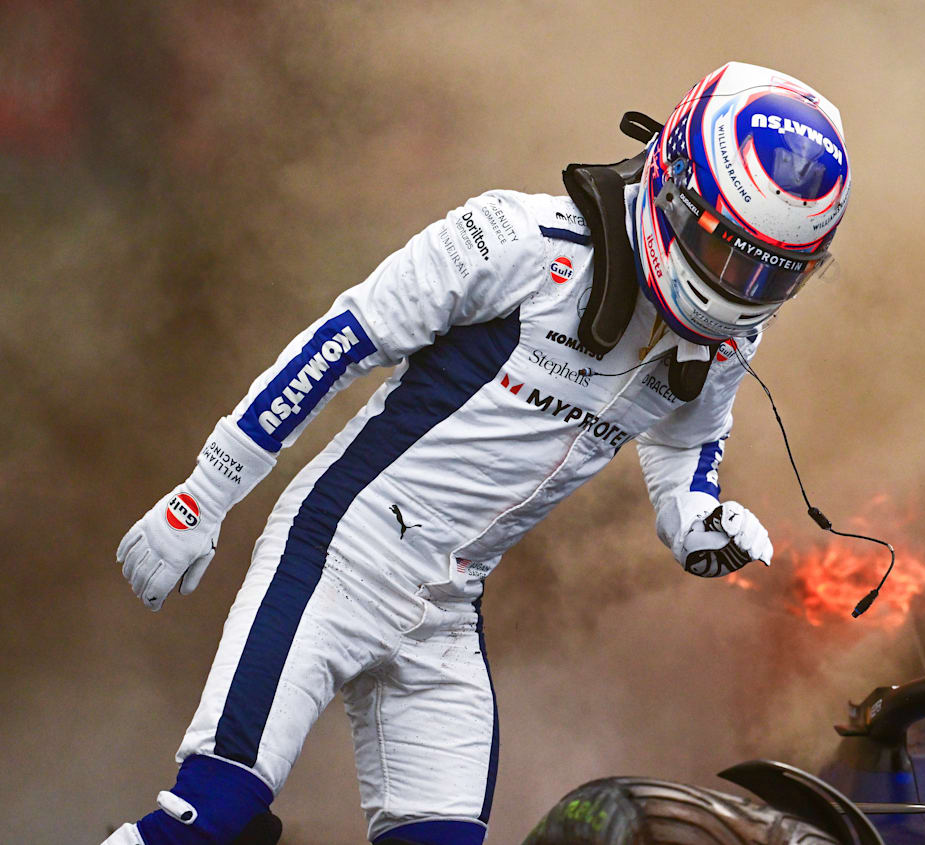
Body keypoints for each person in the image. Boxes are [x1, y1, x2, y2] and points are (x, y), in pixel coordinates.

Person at [104, 61, 851, 845]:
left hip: (448, 609)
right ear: (675, 189)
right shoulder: (518, 239)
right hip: (335, 556)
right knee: (209, 814)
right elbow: (339, 343)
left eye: (774, 270)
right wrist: (206, 491)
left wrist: (696, 518)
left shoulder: (734, 332)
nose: (742, 283)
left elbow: (688, 437)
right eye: (728, 251)